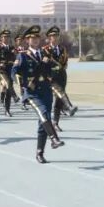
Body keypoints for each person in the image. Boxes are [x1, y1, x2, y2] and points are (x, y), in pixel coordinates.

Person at [11, 25, 64, 162]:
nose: (35, 40)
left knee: (43, 122)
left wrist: (52, 73)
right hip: (32, 93)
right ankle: (54, 138)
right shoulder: (22, 55)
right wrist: (22, 84)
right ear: (27, 40)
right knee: (43, 113)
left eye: (37, 37)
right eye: (32, 38)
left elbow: (55, 68)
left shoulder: (45, 54)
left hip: (46, 91)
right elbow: (14, 72)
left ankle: (40, 152)